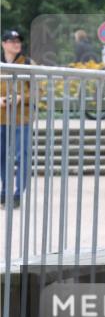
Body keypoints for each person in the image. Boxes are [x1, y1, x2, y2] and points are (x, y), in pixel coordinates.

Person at [1, 29, 32, 208]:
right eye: (12, 41)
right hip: (1, 118)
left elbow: (38, 91)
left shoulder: (28, 63)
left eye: (18, 40)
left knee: (22, 156)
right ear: (3, 44)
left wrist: (21, 97)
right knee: (2, 157)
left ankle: (18, 194)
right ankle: (5, 191)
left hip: (22, 118)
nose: (16, 43)